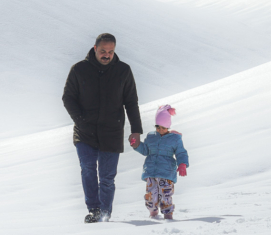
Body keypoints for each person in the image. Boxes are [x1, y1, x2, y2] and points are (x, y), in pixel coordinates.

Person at [63, 33, 143, 223]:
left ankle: (105, 214)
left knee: (107, 177)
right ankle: (94, 210)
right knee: (88, 168)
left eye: (111, 51)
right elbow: (68, 98)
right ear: (94, 48)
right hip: (85, 132)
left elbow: (131, 102)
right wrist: (80, 120)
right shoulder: (79, 69)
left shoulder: (123, 71)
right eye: (103, 51)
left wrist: (136, 130)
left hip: (111, 131)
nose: (107, 55)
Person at [130, 104, 189, 220]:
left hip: (166, 172)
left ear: (168, 126)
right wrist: (137, 145)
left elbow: (181, 153)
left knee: (165, 194)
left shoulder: (175, 139)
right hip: (151, 171)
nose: (160, 130)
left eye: (163, 128)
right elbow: (146, 150)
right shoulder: (151, 136)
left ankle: (168, 214)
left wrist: (182, 164)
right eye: (158, 127)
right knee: (150, 195)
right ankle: (153, 212)